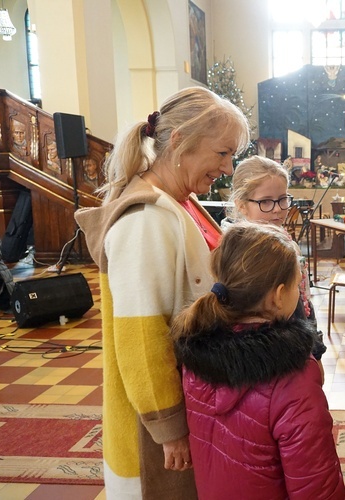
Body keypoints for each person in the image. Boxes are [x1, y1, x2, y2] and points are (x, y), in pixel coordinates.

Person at [75, 86, 250, 499]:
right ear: (179, 142)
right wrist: (169, 429)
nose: (227, 167)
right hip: (157, 425)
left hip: (196, 396)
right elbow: (141, 335)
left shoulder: (180, 200)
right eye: (221, 153)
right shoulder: (145, 221)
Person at [171, 222, 345, 500]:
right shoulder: (293, 378)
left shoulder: (195, 356)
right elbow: (316, 486)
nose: (298, 294)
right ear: (279, 296)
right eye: (296, 286)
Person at [224, 155, 327, 378]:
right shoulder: (242, 253)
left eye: (283, 199)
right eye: (266, 202)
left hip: (301, 341)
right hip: (274, 357)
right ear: (241, 205)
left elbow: (303, 301)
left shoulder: (284, 241)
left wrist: (316, 348)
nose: (278, 210)